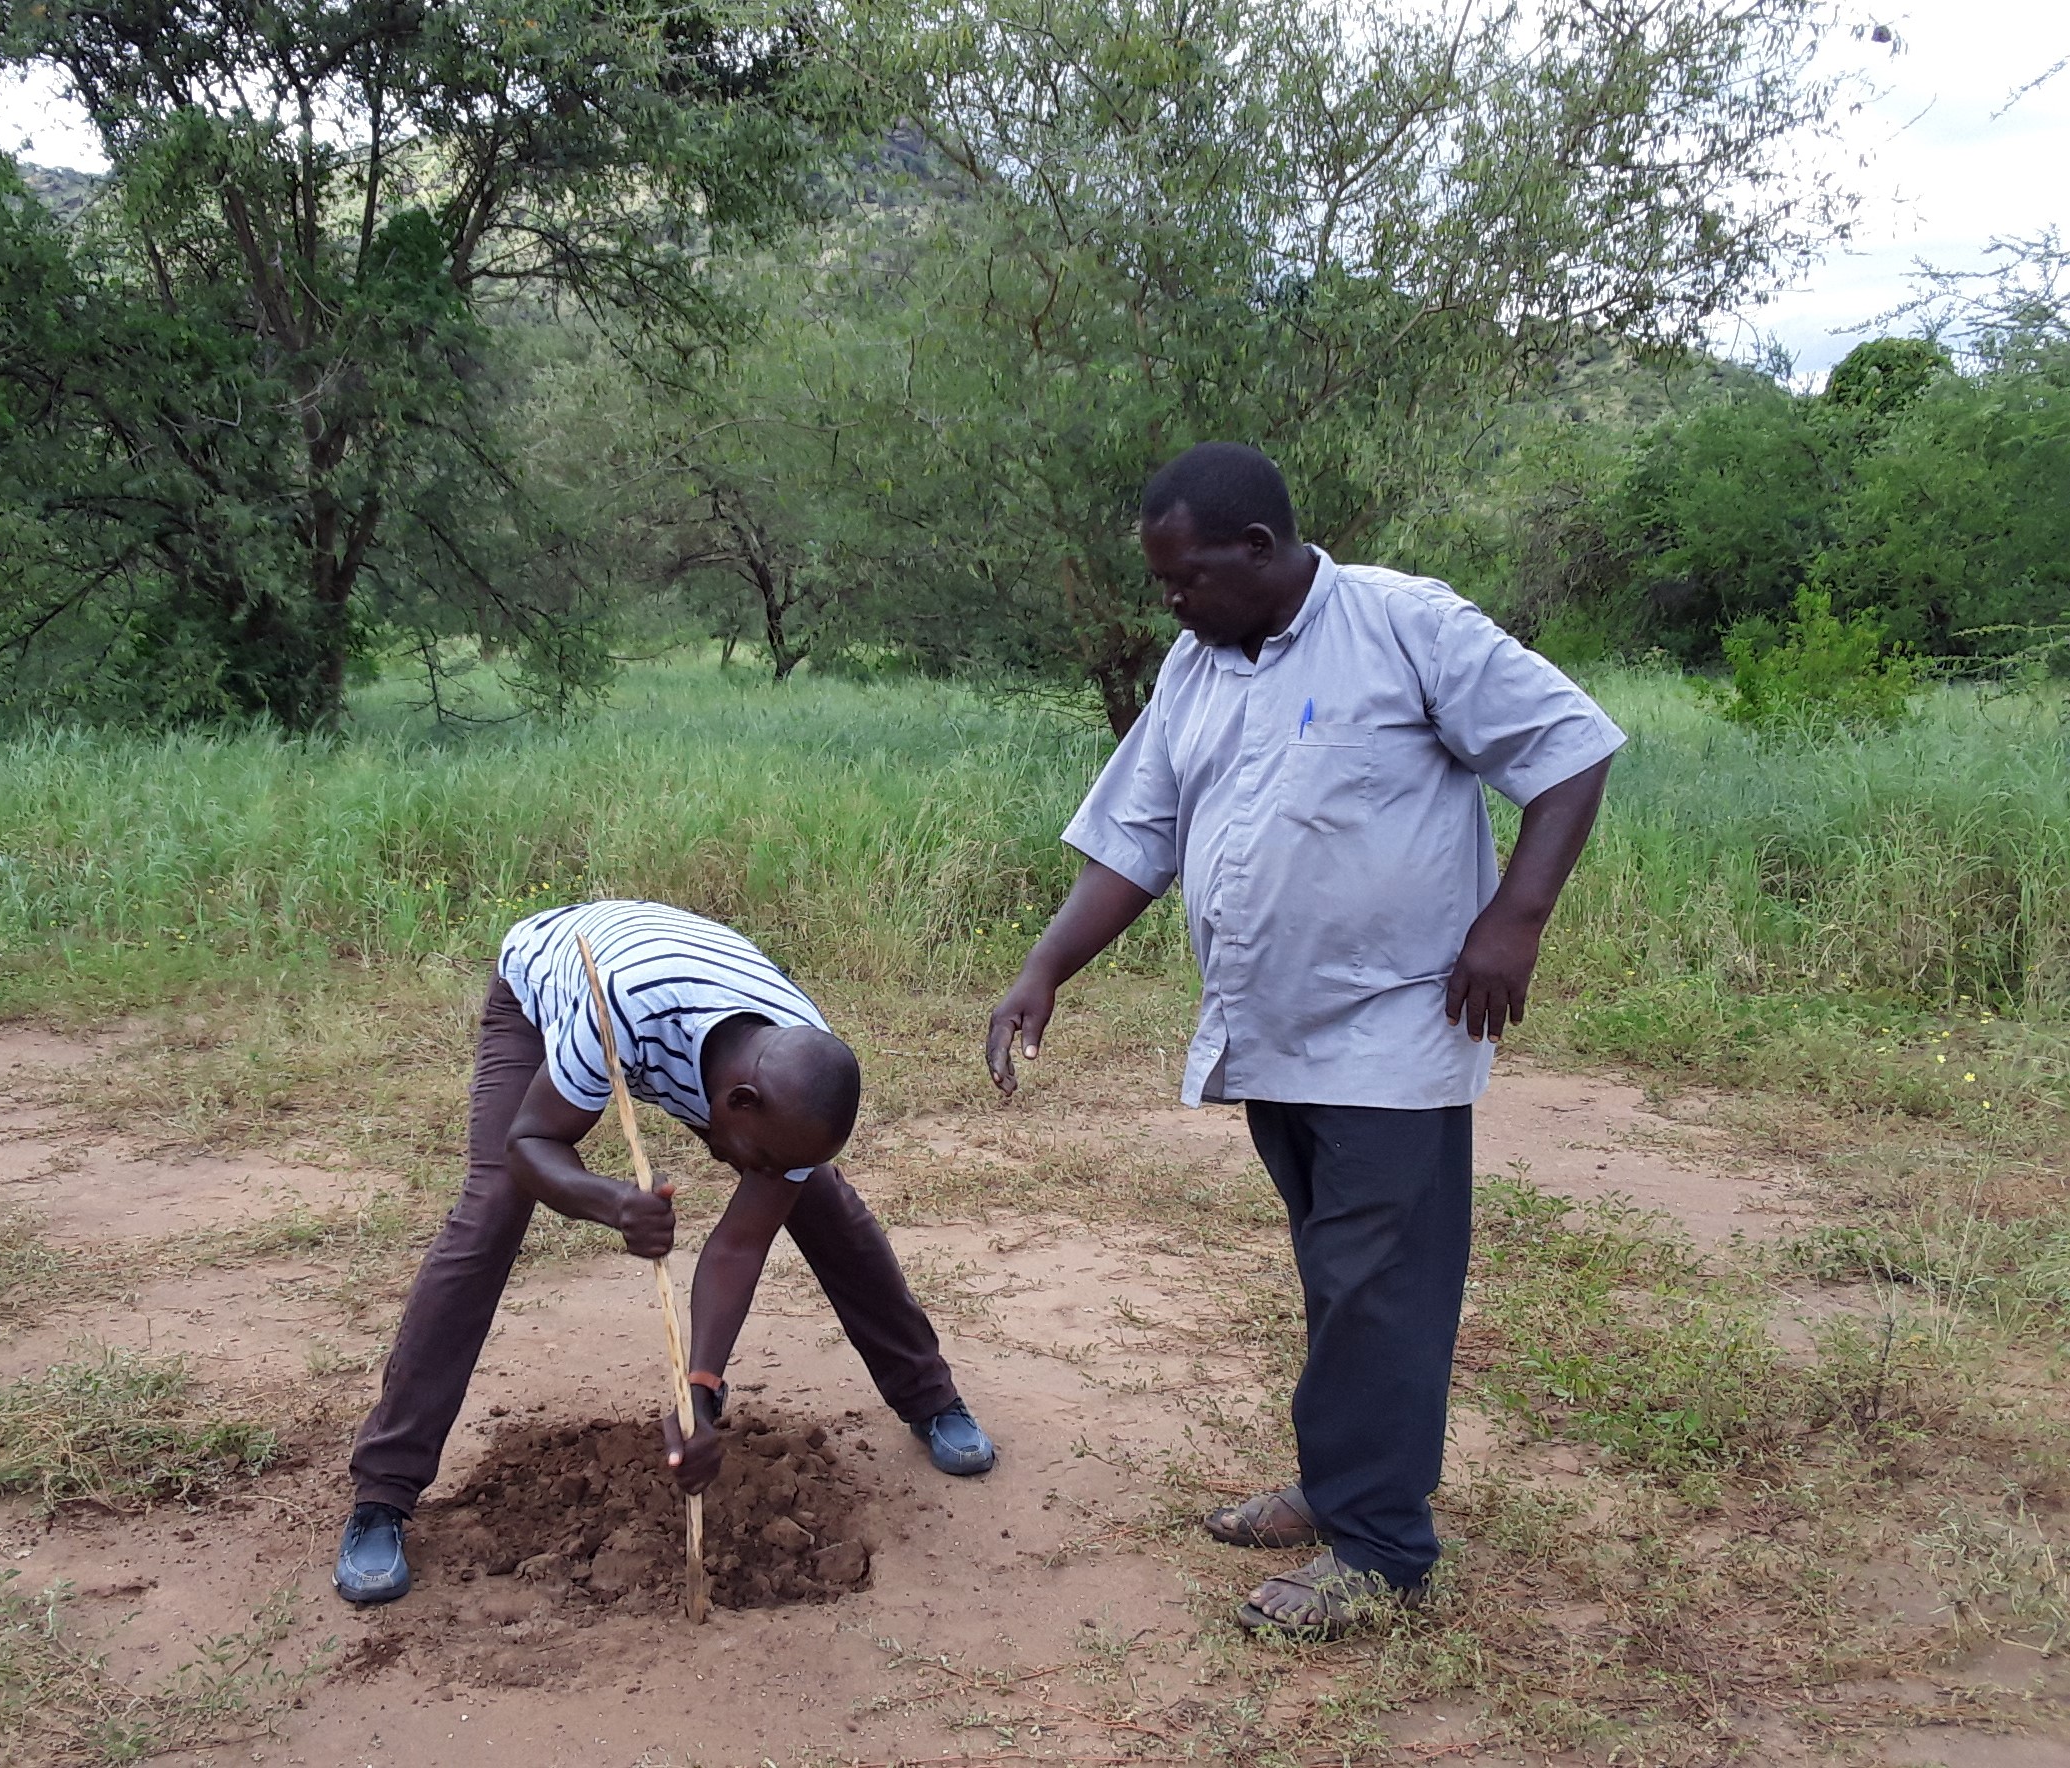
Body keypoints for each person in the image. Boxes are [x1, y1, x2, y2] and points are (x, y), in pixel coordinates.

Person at [986, 442, 1621, 1639]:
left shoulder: (1400, 626)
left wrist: (1513, 922)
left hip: (1395, 1030)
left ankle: (1380, 1550)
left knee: (1377, 1287)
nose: (1168, 603)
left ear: (1257, 551)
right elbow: (1138, 831)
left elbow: (1570, 747)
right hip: (1273, 1034)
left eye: (1183, 579)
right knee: (1338, 1279)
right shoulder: (1196, 665)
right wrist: (1043, 969)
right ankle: (1340, 1489)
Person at [336, 897, 997, 1605]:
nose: (764, 1174)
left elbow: (737, 1247)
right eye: (763, 1158)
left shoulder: (801, 1070)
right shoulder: (614, 1009)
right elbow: (530, 1144)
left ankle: (930, 1399)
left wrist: (699, 1396)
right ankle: (383, 1493)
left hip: (693, 1033)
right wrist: (611, 1203)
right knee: (491, 1210)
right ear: (737, 1102)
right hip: (550, 990)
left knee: (823, 1204)